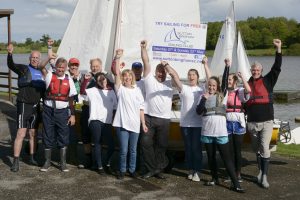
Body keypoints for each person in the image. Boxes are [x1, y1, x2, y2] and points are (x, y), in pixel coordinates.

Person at [196, 63, 245, 193]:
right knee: (211, 158)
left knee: (227, 158)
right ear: (207, 86)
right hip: (207, 132)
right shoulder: (203, 97)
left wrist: (227, 66)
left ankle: (236, 183)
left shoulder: (222, 95)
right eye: (209, 85)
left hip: (221, 133)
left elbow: (224, 82)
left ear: (217, 87)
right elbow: (198, 111)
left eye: (213, 85)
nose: (211, 87)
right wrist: (203, 100)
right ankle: (214, 178)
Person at [246, 39, 282, 189]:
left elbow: (277, 68)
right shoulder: (247, 83)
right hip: (252, 122)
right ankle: (260, 172)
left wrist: (278, 49)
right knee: (257, 150)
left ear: (261, 71)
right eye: (253, 70)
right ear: (251, 71)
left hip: (267, 121)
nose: (255, 72)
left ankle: (265, 177)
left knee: (264, 147)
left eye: (258, 70)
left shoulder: (268, 81)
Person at [140, 40, 177, 179]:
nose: (161, 74)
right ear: (155, 72)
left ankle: (158, 169)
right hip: (149, 117)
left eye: (163, 72)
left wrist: (166, 65)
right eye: (159, 72)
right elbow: (146, 62)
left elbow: (175, 76)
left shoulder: (170, 82)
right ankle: (151, 169)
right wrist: (143, 48)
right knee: (145, 143)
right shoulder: (149, 79)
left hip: (164, 119)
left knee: (161, 146)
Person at [7, 44, 46, 172]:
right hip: (24, 104)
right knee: (21, 133)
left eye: (37, 58)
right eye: (33, 57)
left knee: (33, 133)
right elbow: (11, 65)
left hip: (36, 107)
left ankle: (32, 157)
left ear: (39, 60)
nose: (35, 59)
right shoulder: (23, 69)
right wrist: (10, 54)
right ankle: (16, 161)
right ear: (29, 59)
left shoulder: (42, 72)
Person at [171, 58, 210, 182]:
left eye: (193, 74)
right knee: (188, 148)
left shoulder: (202, 89)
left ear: (197, 77)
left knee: (196, 148)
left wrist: (205, 65)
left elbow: (210, 79)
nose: (191, 76)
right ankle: (190, 169)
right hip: (185, 124)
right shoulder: (184, 88)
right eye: (189, 74)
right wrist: (168, 67)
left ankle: (197, 171)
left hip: (198, 124)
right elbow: (176, 79)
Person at [112, 49, 147, 179]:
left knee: (133, 150)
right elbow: (116, 73)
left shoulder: (137, 90)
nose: (127, 78)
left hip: (135, 125)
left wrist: (143, 123)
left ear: (132, 78)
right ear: (123, 78)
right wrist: (117, 58)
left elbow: (141, 109)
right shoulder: (120, 89)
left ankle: (132, 170)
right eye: (125, 76)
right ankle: (122, 170)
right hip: (122, 125)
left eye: (129, 76)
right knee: (123, 150)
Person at [39, 56, 77, 172]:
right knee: (47, 135)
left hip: (62, 112)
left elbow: (71, 99)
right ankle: (47, 162)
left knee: (63, 136)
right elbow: (41, 66)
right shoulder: (50, 75)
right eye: (58, 67)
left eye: (62, 67)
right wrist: (49, 57)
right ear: (55, 67)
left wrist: (73, 114)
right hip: (48, 111)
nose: (60, 69)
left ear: (66, 68)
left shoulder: (69, 79)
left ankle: (63, 163)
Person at [222, 58, 251, 182]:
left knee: (237, 150)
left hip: (238, 123)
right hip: (227, 122)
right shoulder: (224, 92)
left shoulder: (240, 91)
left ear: (235, 81)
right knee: (229, 150)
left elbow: (249, 90)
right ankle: (231, 173)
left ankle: (238, 173)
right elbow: (222, 83)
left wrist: (242, 77)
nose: (228, 81)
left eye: (230, 79)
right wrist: (227, 66)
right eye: (227, 79)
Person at [85, 72, 117, 174]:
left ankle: (106, 163)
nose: (102, 81)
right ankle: (99, 166)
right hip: (95, 120)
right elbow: (82, 92)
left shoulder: (111, 91)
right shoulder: (92, 91)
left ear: (106, 79)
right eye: (99, 79)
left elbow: (115, 107)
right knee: (97, 143)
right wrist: (90, 80)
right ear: (96, 81)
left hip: (107, 122)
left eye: (103, 79)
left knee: (111, 145)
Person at [78, 58, 103, 169]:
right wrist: (86, 81)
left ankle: (99, 162)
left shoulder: (105, 78)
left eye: (97, 66)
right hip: (87, 109)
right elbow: (82, 91)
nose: (95, 68)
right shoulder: (86, 77)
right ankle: (88, 160)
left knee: (98, 138)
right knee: (86, 136)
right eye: (93, 66)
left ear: (101, 66)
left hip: (98, 112)